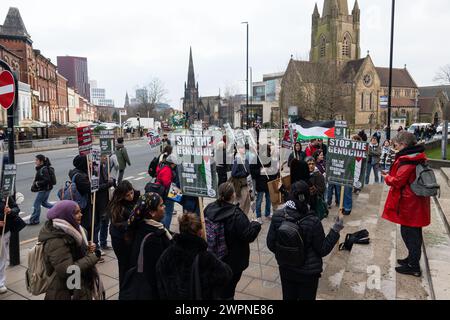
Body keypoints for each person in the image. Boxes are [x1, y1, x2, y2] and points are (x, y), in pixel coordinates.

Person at [267, 181, 343, 300]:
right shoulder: (313, 221)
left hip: (286, 268)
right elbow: (322, 249)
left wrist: (287, 254)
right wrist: (335, 230)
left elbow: (271, 244)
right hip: (308, 273)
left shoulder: (278, 216)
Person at [381, 132, 430, 277]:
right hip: (414, 202)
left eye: (397, 145)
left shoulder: (409, 160)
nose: (395, 147)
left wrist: (387, 177)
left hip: (410, 203)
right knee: (411, 232)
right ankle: (411, 259)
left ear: (403, 145)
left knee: (410, 234)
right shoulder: (415, 156)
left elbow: (398, 181)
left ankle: (414, 266)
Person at [204, 182, 261, 300]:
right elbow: (248, 235)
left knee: (219, 287)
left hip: (214, 256)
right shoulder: (236, 215)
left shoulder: (209, 208)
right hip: (233, 260)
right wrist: (255, 224)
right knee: (229, 289)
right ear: (232, 195)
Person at [156, 214, 232, 300]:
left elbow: (160, 281)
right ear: (199, 232)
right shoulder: (206, 257)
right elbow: (226, 274)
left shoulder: (167, 254)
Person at [38, 200, 101, 300]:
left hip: (79, 284)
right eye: (76, 213)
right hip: (65, 290)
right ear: (65, 216)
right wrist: (92, 258)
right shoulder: (55, 241)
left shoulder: (77, 229)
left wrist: (87, 248)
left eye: (80, 211)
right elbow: (67, 270)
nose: (81, 214)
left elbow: (77, 253)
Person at [127, 192, 172, 300]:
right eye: (161, 205)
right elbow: (158, 270)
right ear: (152, 212)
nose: (164, 206)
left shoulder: (143, 226)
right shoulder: (153, 238)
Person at [108, 181, 140, 287]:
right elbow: (118, 224)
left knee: (133, 265)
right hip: (121, 240)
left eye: (131, 193)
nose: (131, 196)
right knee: (125, 267)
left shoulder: (136, 198)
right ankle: (125, 290)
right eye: (127, 195)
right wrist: (131, 221)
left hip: (131, 237)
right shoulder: (117, 207)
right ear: (121, 196)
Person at [0, 195, 25, 294]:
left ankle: (0, 282)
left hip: (4, 233)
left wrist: (10, 210)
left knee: (2, 258)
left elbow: (16, 208)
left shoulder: (4, 195)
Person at [93, 154, 116, 259]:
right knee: (97, 224)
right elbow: (96, 187)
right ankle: (96, 245)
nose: (105, 159)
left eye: (106, 157)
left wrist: (110, 180)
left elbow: (106, 181)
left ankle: (103, 242)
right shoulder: (95, 170)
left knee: (105, 222)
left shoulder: (103, 168)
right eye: (103, 157)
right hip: (99, 201)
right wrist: (109, 184)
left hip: (106, 200)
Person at [251, 144, 277, 223]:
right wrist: (260, 171)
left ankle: (267, 213)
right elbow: (251, 170)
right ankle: (258, 216)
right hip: (260, 183)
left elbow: (274, 170)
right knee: (259, 200)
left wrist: (270, 170)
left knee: (268, 200)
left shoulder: (270, 159)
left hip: (268, 182)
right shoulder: (256, 158)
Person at [69, 155, 92, 238]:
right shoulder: (80, 177)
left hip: (78, 202)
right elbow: (90, 189)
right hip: (83, 205)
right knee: (86, 226)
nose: (89, 163)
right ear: (83, 163)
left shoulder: (75, 172)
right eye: (87, 161)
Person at [29, 155, 55, 225]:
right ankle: (57, 209)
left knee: (36, 204)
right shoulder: (42, 168)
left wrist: (37, 183)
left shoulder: (44, 169)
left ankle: (34, 220)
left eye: (37, 160)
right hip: (46, 189)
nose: (35, 161)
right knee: (44, 203)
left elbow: (47, 180)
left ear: (41, 161)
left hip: (44, 189)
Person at [156, 154, 177, 229]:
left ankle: (162, 227)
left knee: (163, 212)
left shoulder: (161, 165)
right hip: (167, 193)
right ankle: (166, 229)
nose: (174, 166)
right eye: (174, 164)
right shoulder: (167, 169)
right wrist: (176, 191)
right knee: (168, 212)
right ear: (171, 163)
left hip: (161, 192)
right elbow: (167, 183)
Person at [230, 145, 251, 215]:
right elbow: (233, 173)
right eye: (242, 148)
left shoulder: (244, 158)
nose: (244, 149)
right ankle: (239, 217)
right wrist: (244, 173)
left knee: (247, 202)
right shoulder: (237, 159)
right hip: (240, 184)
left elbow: (248, 169)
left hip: (245, 183)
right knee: (242, 202)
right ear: (238, 149)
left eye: (244, 147)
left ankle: (244, 216)